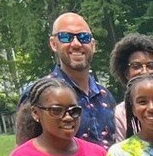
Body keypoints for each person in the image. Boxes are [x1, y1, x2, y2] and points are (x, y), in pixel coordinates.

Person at [20, 12, 118, 147]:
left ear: (93, 45)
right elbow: (27, 153)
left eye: (84, 37)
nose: (76, 44)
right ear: (54, 44)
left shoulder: (105, 96)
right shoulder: (39, 94)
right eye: (66, 37)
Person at [108, 33, 153, 140]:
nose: (144, 71)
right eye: (136, 66)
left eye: (151, 66)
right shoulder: (120, 113)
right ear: (126, 73)